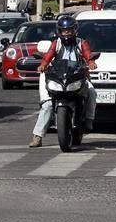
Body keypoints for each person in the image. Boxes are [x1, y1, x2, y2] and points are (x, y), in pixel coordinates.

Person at [28, 15, 98, 148]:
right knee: (47, 105)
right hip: (58, 77)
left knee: (92, 92)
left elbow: (87, 54)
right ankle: (37, 136)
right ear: (59, 31)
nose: (67, 33)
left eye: (69, 30)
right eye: (64, 31)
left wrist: (90, 62)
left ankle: (89, 119)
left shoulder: (81, 43)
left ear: (74, 30)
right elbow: (49, 55)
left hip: (77, 76)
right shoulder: (56, 43)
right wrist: (43, 64)